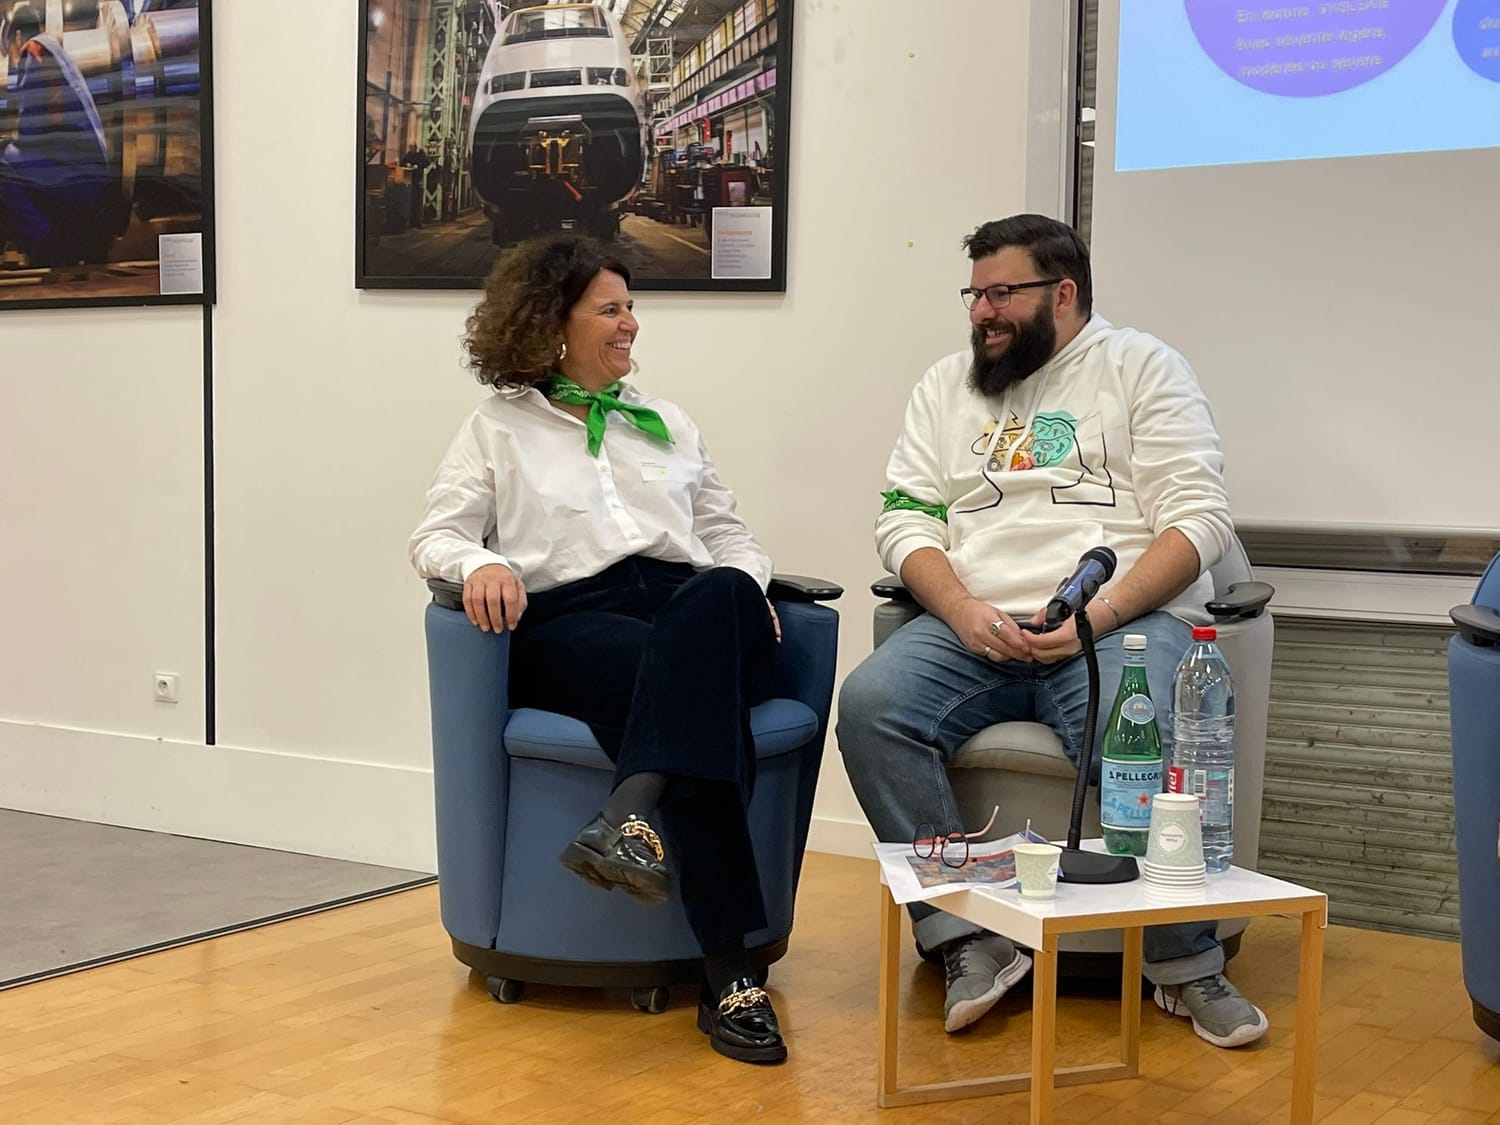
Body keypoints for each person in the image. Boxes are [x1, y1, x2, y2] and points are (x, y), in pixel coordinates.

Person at [837, 214, 1269, 1049]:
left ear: (1063, 293)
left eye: (1001, 293)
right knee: (870, 706)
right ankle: (968, 936)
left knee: (1147, 730)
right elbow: (903, 518)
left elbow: (1199, 520)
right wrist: (961, 609)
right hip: (977, 625)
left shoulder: (1142, 367)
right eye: (974, 294)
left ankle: (1184, 962)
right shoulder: (945, 387)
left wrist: (1093, 621)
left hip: (1118, 620)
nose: (981, 313)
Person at [409, 237, 788, 1065]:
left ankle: (628, 814)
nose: (630, 324)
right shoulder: (497, 428)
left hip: (691, 610)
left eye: (630, 307)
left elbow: (730, 537)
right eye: (610, 309)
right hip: (575, 621)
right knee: (702, 698)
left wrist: (745, 589)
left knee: (720, 597)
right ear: (553, 323)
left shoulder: (671, 422)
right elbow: (436, 534)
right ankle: (731, 975)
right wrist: (479, 563)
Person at [0, 5, 112, 266]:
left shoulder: (34, 51)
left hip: (74, 172)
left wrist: (9, 144)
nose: (12, 59)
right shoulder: (55, 51)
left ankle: (44, 242)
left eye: (9, 50)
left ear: (18, 37)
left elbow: (31, 125)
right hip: (88, 170)